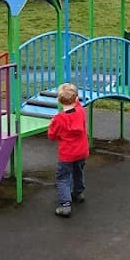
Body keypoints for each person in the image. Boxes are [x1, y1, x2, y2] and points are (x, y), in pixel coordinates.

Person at [47, 82, 89, 217]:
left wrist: (52, 123)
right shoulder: (81, 112)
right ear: (77, 99)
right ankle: (78, 193)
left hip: (67, 154)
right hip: (82, 151)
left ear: (59, 101)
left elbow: (52, 136)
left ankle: (65, 205)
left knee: (63, 178)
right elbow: (76, 106)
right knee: (78, 171)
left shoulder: (59, 119)